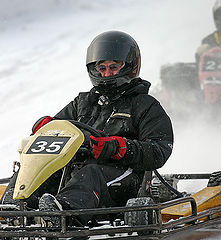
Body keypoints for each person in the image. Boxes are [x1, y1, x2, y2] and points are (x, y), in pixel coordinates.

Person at [2, 31, 174, 227]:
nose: (107, 74)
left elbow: (160, 149)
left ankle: (64, 214)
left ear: (129, 67)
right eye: (102, 68)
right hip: (77, 173)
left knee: (91, 171)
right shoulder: (83, 102)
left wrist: (118, 147)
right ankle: (15, 208)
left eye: (113, 67)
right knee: (34, 163)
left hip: (123, 178)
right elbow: (56, 128)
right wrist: (44, 126)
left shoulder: (145, 105)